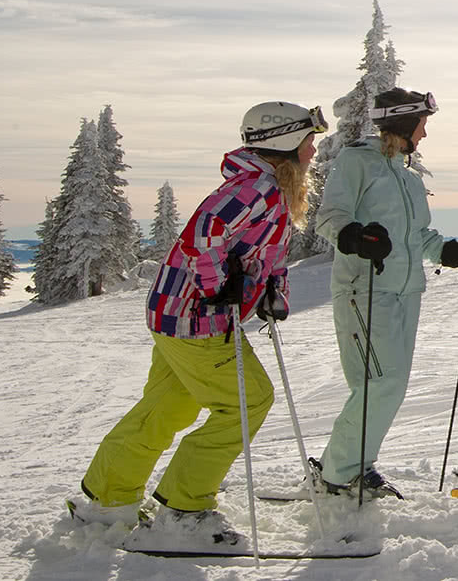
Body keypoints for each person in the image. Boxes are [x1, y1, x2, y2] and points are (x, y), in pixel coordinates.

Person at [67, 101, 325, 544]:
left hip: (175, 310)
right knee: (248, 402)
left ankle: (107, 501)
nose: (314, 149)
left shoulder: (269, 188)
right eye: (308, 139)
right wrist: (216, 286)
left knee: (169, 406)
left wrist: (271, 292)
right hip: (196, 317)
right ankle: (185, 509)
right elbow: (202, 236)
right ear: (285, 142)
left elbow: (268, 254)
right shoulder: (254, 190)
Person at [311, 87, 458, 499]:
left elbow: (420, 237)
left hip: (406, 292)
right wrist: (357, 237)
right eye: (422, 125)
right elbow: (330, 219)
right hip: (365, 289)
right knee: (383, 382)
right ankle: (337, 476)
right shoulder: (356, 162)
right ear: (403, 123)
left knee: (382, 384)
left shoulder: (409, 178)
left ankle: (354, 465)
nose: (425, 134)